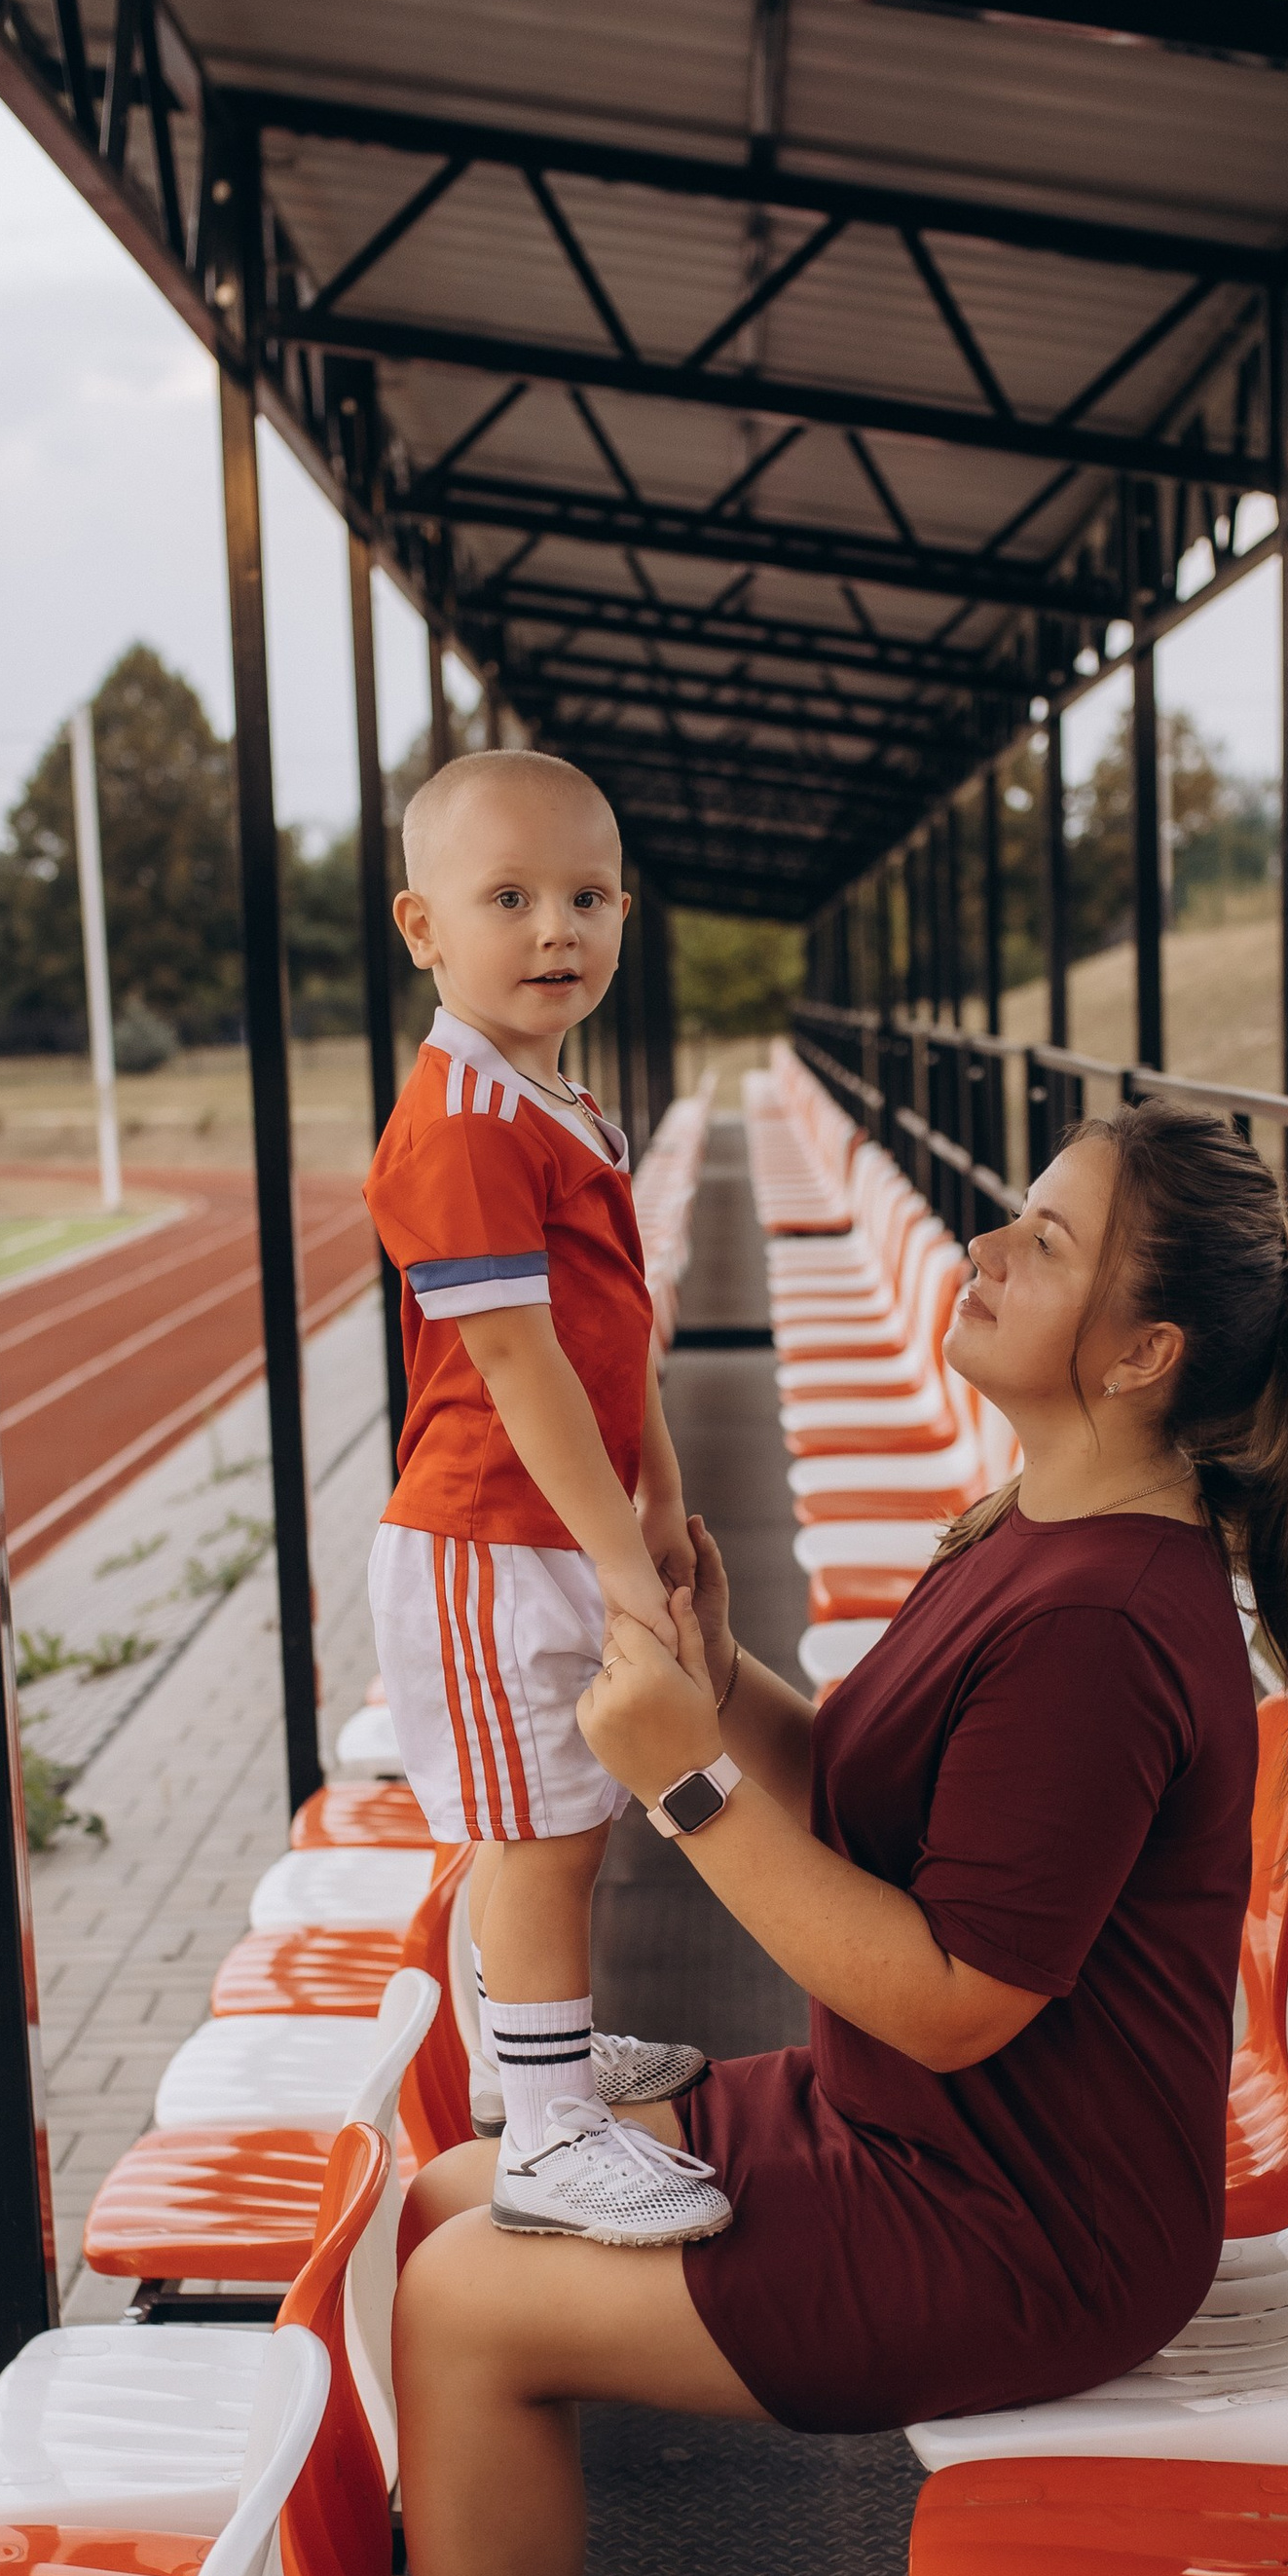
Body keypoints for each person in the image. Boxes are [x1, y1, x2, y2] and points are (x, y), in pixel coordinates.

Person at [329, 1091, 1288, 2576]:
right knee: (444, 2201)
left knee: (467, 2299)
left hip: (1016, 2219)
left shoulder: (1104, 1625)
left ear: (1142, 1357)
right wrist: (722, 1671)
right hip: (907, 2129)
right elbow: (870, 1798)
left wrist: (683, 1795)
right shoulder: (1039, 1528)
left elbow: (957, 1994)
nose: (987, 1252)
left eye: (1044, 1247)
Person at [364, 747, 730, 2252]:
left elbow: (616, 1330)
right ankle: (546, 2131)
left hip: (551, 1526)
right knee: (539, 1837)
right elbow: (519, 1371)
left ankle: (550, 2056)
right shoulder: (457, 1121)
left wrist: (661, 1496)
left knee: (570, 1817)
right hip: (483, 1538)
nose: (553, 929)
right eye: (506, 897)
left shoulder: (557, 1099)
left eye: (585, 896)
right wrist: (625, 1570)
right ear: (423, 928)